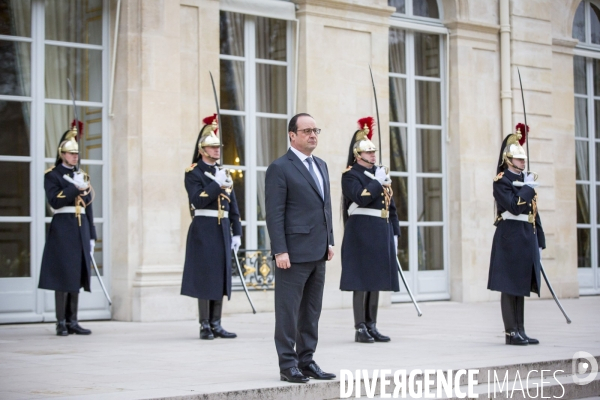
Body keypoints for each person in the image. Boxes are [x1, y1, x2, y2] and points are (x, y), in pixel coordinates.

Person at [265, 113, 336, 383]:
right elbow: (274, 214)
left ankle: (307, 361)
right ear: (291, 135)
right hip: (292, 254)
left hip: (318, 251)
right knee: (288, 311)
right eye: (306, 130)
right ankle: (287, 365)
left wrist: (329, 240)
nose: (312, 135)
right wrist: (279, 250)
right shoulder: (280, 168)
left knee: (311, 311)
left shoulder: (322, 165)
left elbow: (325, 207)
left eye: (315, 130)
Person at [181, 114, 242, 340]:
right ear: (202, 149)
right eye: (212, 147)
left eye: (218, 147)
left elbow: (233, 206)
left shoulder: (223, 172)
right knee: (206, 275)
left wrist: (238, 232)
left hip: (222, 227)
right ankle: (204, 324)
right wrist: (216, 184)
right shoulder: (193, 173)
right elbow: (197, 200)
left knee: (220, 275)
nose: (217, 150)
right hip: (204, 227)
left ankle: (217, 323)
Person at [340, 117, 400, 343]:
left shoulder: (380, 174)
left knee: (375, 280)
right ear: (358, 155)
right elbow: (361, 198)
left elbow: (390, 207)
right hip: (361, 232)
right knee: (361, 281)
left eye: (374, 151)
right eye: (368, 152)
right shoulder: (351, 175)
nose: (373, 155)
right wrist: (376, 181)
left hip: (380, 231)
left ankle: (372, 324)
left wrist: (395, 233)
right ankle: (360, 328)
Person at [488, 123, 545, 345]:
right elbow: (514, 206)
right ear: (508, 160)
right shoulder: (502, 181)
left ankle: (521, 329)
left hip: (525, 235)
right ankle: (511, 332)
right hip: (509, 236)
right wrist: (528, 189)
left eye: (524, 159)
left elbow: (534, 212)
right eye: (519, 159)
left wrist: (539, 238)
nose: (523, 162)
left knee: (520, 285)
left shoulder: (525, 179)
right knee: (509, 286)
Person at [39, 122, 96, 336]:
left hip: (80, 228)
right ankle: (60, 321)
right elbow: (55, 201)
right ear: (62, 154)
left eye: (76, 154)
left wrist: (92, 234)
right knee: (63, 275)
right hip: (63, 228)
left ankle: (73, 320)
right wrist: (74, 187)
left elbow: (88, 206)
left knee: (76, 274)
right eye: (70, 154)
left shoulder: (81, 175)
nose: (75, 157)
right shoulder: (52, 175)